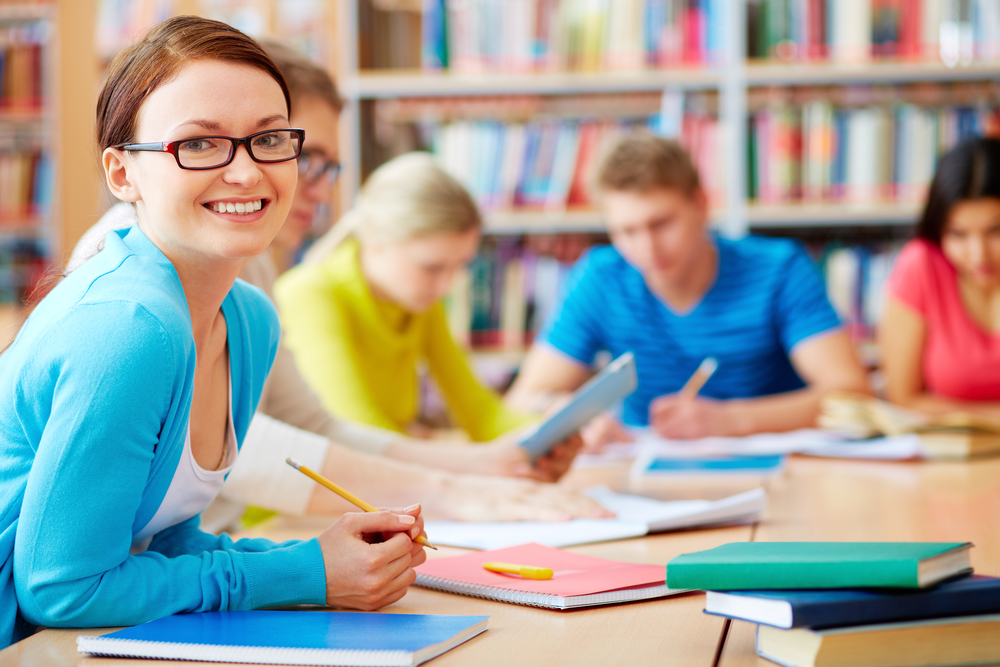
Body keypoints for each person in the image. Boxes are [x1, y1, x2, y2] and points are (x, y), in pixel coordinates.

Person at [0, 17, 431, 649]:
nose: (247, 172)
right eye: (199, 145)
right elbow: (64, 589)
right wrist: (304, 572)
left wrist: (323, 559)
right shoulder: (131, 328)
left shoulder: (247, 319)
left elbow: (168, 549)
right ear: (123, 175)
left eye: (270, 140)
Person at [66, 41, 600, 527]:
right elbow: (215, 447)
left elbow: (310, 423)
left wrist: (480, 466)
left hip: (202, 557)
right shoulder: (128, 273)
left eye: (284, 146)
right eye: (303, 155)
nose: (313, 188)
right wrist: (452, 492)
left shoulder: (248, 270)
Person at [506, 132, 871, 443]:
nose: (646, 248)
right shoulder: (600, 278)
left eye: (661, 224)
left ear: (701, 204)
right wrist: (572, 419)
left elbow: (851, 393)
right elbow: (523, 401)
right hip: (646, 473)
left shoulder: (778, 269)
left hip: (778, 475)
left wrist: (729, 421)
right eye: (626, 231)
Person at [273, 152, 538, 442]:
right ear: (376, 241)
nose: (446, 287)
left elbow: (481, 414)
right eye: (432, 268)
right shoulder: (310, 293)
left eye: (460, 266)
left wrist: (552, 430)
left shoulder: (418, 301)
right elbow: (357, 435)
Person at [879, 137, 1000, 415]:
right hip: (949, 453)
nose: (979, 254)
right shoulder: (920, 266)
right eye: (958, 234)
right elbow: (902, 398)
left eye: (996, 231)